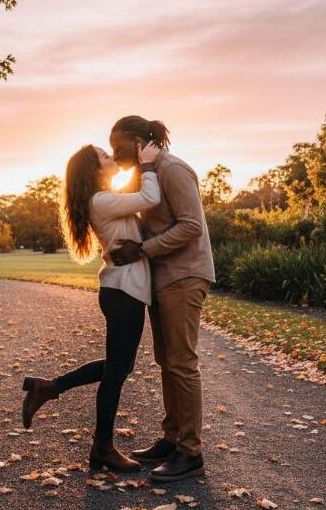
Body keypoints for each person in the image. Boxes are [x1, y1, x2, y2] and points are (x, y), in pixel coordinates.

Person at [21, 140, 161, 472]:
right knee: (116, 371)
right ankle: (102, 448)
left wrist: (137, 165)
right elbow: (150, 197)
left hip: (122, 292)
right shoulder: (101, 200)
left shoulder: (104, 198)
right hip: (123, 293)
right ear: (94, 170)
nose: (111, 157)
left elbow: (132, 192)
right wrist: (150, 164)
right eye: (104, 156)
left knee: (119, 367)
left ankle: (49, 388)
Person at [108, 115, 215, 482]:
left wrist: (142, 250)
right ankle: (172, 440)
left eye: (117, 145)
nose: (113, 152)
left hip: (185, 275)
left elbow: (191, 225)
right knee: (167, 361)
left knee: (182, 362)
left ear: (138, 141)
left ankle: (191, 453)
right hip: (164, 278)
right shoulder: (149, 172)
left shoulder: (174, 169)